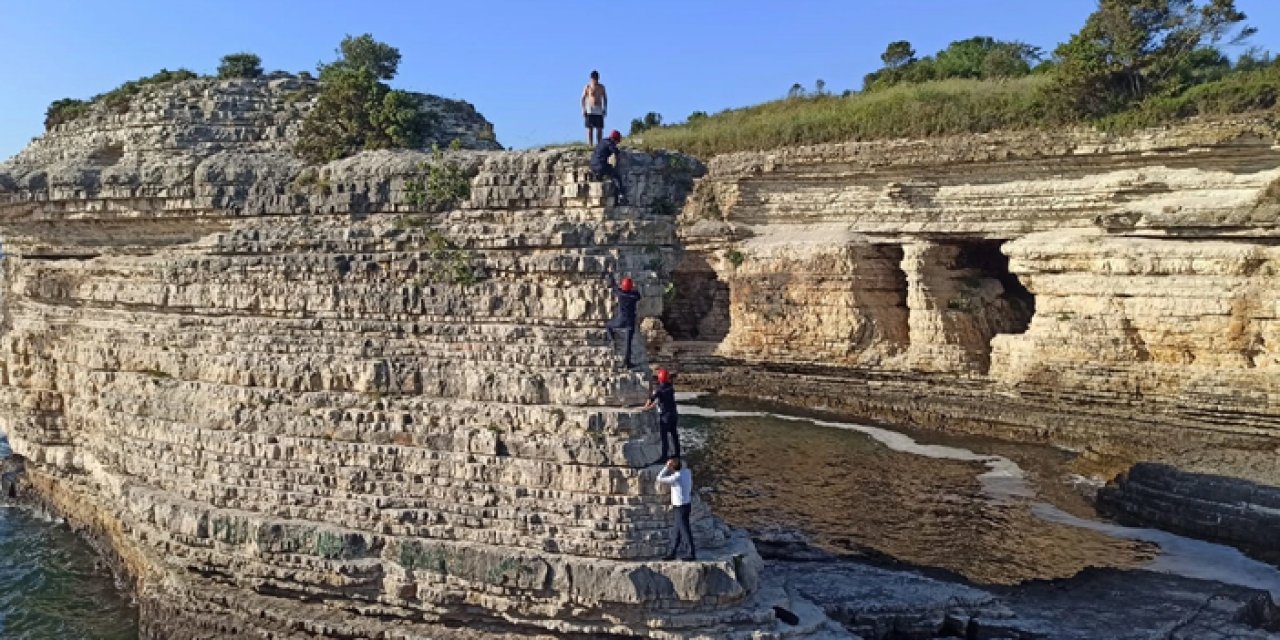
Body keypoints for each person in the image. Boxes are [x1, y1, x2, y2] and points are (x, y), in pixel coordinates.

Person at [656, 457, 695, 561]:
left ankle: (691, 553)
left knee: (684, 530)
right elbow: (684, 466)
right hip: (686, 504)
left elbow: (659, 478)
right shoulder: (687, 472)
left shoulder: (676, 477)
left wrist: (666, 467)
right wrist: (674, 464)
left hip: (679, 507)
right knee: (676, 531)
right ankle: (672, 552)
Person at [604, 264, 641, 369]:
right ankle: (627, 362)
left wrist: (610, 273)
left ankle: (612, 340)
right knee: (628, 342)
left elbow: (612, 285)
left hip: (621, 320)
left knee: (608, 325)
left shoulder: (620, 294)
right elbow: (638, 295)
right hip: (631, 321)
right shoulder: (634, 295)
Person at [641, 368, 680, 463]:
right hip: (674, 414)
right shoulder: (670, 388)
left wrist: (645, 407)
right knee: (674, 435)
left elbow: (652, 399)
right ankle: (677, 454)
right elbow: (660, 399)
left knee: (664, 436)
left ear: (659, 379)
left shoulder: (659, 390)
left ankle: (664, 456)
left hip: (665, 416)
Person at [590, 130, 628, 206]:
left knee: (606, 169)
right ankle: (621, 196)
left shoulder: (602, 141)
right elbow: (615, 151)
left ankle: (598, 176)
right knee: (616, 176)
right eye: (617, 141)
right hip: (601, 165)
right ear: (615, 139)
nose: (617, 143)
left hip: (592, 165)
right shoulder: (610, 143)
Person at [581, 70, 608, 145]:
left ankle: (599, 144)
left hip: (599, 109)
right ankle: (590, 144)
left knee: (599, 129)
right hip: (590, 109)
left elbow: (605, 98)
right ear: (591, 78)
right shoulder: (588, 87)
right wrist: (583, 109)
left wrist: (605, 109)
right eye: (594, 78)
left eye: (596, 78)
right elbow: (582, 98)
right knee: (590, 129)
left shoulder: (601, 87)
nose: (595, 79)